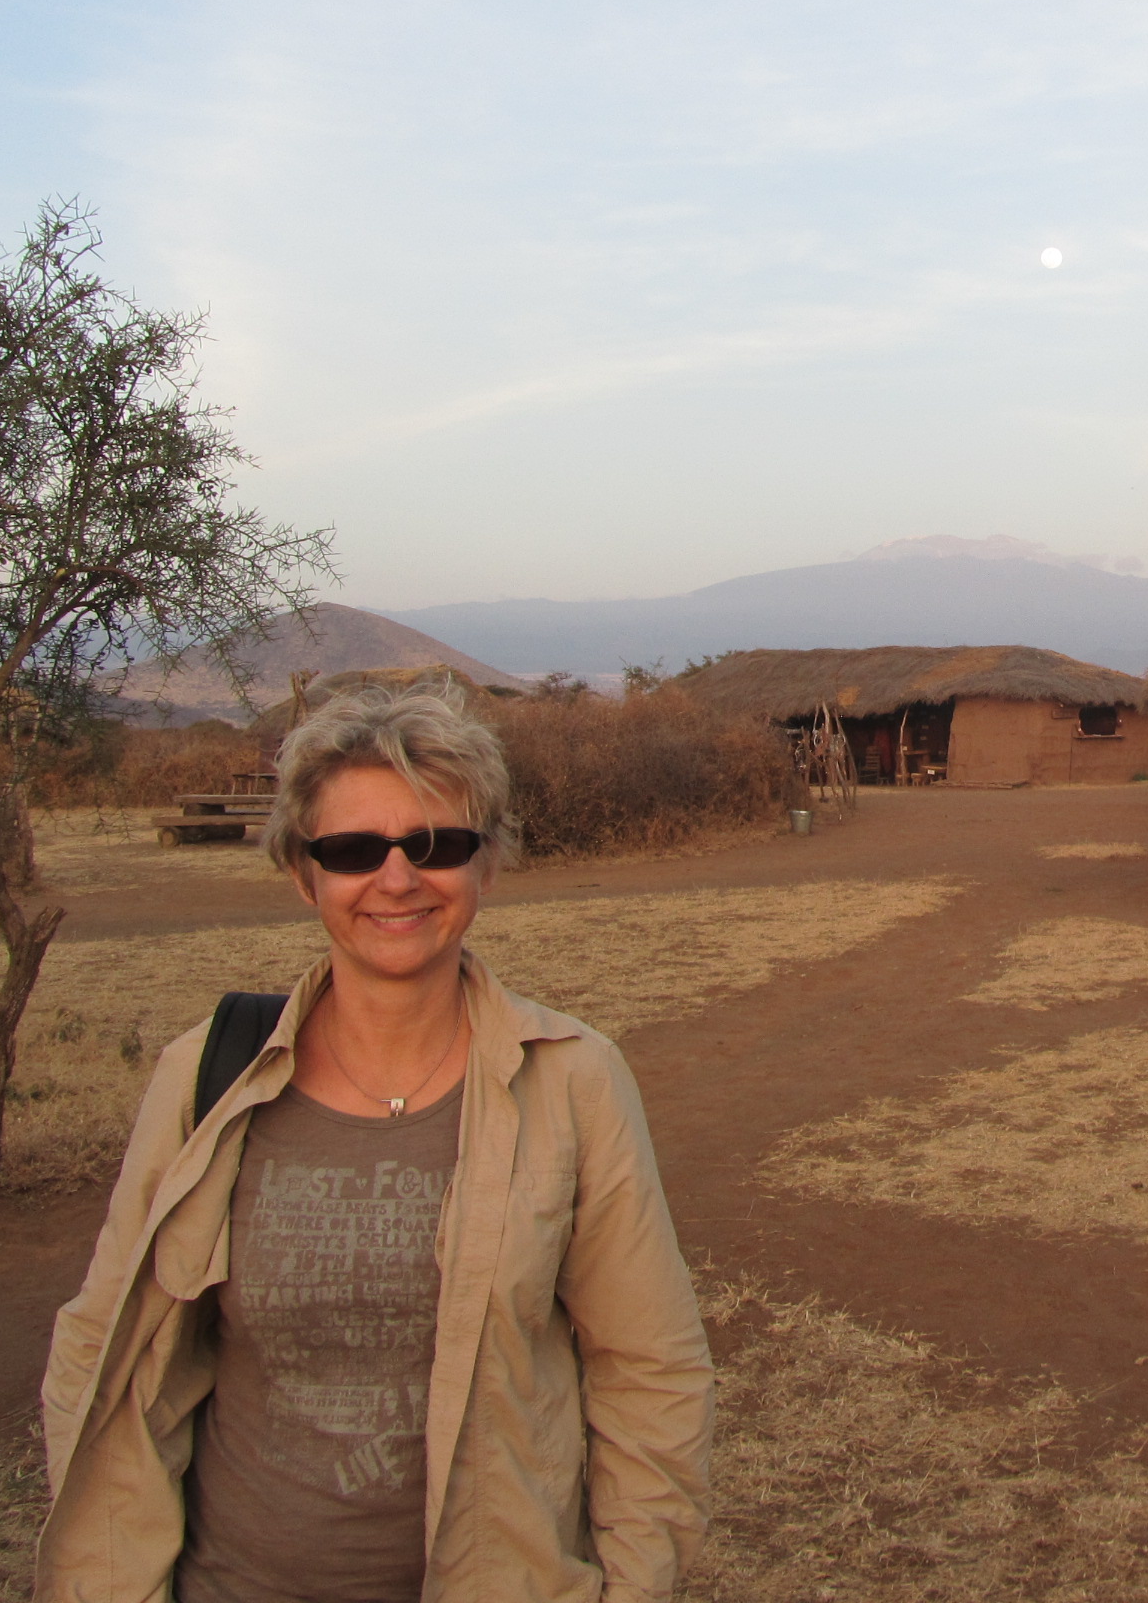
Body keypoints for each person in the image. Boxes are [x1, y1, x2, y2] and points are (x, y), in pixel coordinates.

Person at [36, 684, 713, 1603]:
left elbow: (649, 1368)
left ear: (486, 865)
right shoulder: (206, 1079)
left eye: (435, 845)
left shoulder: (574, 1081)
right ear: (303, 873)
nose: (397, 880)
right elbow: (107, 1350)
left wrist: (635, 1585)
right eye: (354, 851)